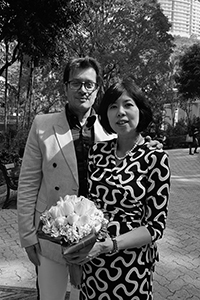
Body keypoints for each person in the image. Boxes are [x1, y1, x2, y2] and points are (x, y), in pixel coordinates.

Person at [17, 57, 162, 300]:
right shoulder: (42, 125)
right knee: (50, 296)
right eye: (76, 83)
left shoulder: (110, 127)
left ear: (97, 90)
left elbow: (131, 146)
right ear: (65, 87)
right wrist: (27, 236)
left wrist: (148, 145)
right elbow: (28, 183)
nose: (82, 89)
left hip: (96, 242)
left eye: (89, 84)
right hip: (51, 236)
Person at [68, 77, 171, 299]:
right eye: (113, 107)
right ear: (105, 114)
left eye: (127, 104)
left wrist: (110, 245)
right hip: (94, 260)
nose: (120, 112)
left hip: (131, 265)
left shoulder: (155, 157)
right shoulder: (97, 152)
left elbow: (155, 227)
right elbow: (89, 205)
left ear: (140, 110)